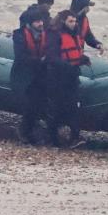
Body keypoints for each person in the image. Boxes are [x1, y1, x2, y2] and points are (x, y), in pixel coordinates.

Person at [45, 10, 91, 148]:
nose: (74, 24)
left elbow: (74, 54)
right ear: (63, 21)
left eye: (75, 21)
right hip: (58, 78)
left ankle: (75, 136)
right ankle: (53, 137)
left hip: (71, 77)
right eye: (70, 21)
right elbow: (52, 58)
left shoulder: (74, 35)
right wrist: (68, 66)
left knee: (73, 106)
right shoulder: (55, 35)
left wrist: (83, 59)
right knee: (58, 107)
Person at [11, 7, 48, 144]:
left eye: (41, 21)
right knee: (31, 105)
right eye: (37, 22)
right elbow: (21, 57)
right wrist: (40, 61)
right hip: (24, 76)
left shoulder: (45, 35)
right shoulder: (19, 36)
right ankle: (25, 131)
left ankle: (30, 131)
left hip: (39, 75)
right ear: (29, 23)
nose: (41, 24)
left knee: (38, 104)